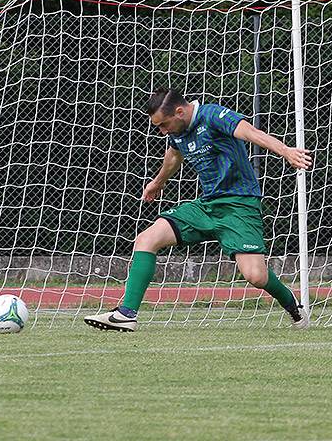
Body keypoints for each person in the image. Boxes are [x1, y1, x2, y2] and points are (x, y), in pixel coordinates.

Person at [85, 88, 312, 332]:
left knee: (255, 276)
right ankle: (126, 314)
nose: (162, 131)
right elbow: (172, 157)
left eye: (163, 125)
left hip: (239, 206)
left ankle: (291, 304)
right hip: (206, 206)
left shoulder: (213, 115)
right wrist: (157, 183)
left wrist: (287, 151)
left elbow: (251, 133)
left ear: (180, 112)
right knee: (146, 239)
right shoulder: (177, 132)